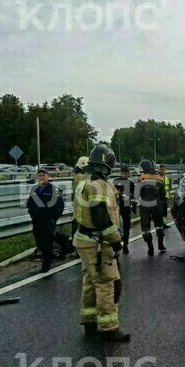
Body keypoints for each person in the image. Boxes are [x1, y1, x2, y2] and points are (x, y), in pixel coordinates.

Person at [73, 144, 130, 342]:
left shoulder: (84, 181)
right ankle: (109, 327)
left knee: (90, 281)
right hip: (97, 243)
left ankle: (89, 322)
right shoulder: (98, 185)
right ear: (108, 163)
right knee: (108, 283)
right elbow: (100, 217)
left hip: (84, 240)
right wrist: (116, 241)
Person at [27, 167, 65, 272]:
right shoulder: (35, 189)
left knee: (47, 242)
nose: (42, 177)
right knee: (40, 243)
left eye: (44, 175)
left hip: (48, 221)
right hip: (37, 221)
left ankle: (46, 265)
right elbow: (30, 204)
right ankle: (49, 255)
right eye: (40, 175)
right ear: (37, 177)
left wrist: (53, 219)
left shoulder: (53, 190)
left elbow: (59, 206)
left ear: (48, 176)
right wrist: (32, 216)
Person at [137, 159, 166, 256]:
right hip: (156, 203)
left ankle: (150, 248)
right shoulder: (159, 178)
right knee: (159, 225)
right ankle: (161, 245)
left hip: (144, 204)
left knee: (145, 227)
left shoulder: (142, 178)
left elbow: (137, 194)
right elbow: (163, 195)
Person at [113, 165, 137, 254]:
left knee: (127, 227)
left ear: (128, 174)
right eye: (122, 173)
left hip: (126, 207)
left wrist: (134, 206)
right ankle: (116, 246)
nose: (124, 175)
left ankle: (126, 245)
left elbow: (133, 196)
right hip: (116, 207)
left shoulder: (130, 184)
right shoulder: (115, 182)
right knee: (115, 227)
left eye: (125, 173)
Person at [70, 156, 90, 241]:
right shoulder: (85, 177)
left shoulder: (76, 175)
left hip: (77, 210)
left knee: (77, 233)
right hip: (84, 212)